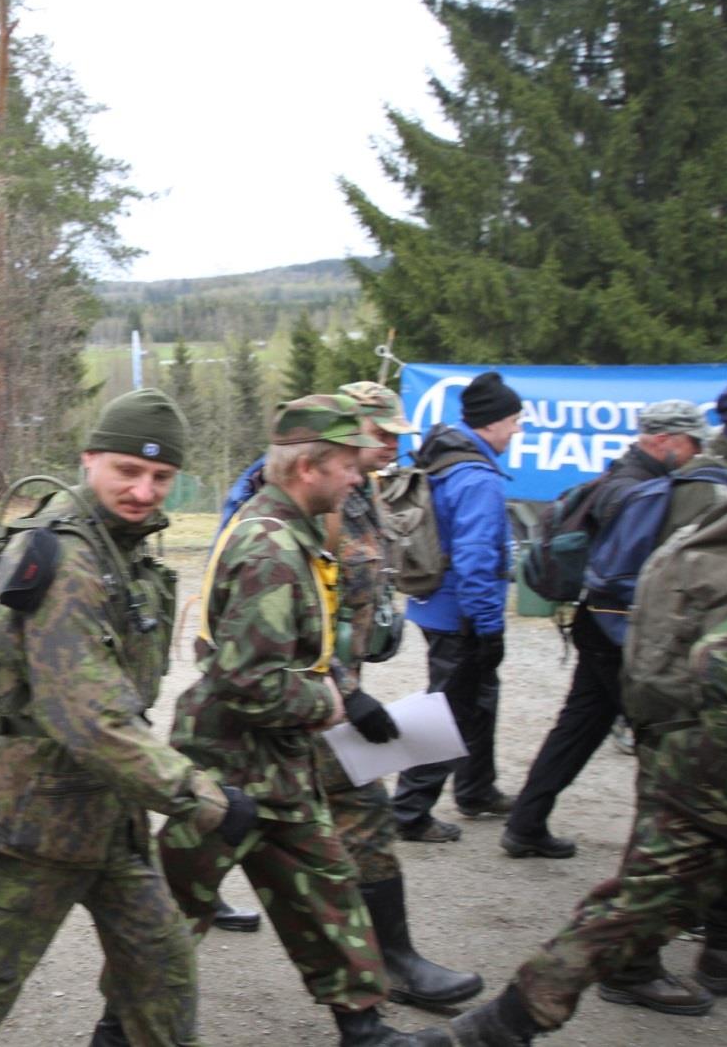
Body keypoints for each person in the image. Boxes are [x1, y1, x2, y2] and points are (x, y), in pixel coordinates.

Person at [0, 388, 249, 1047]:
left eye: (160, 477)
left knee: (161, 971)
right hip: (34, 824)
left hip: (108, 815)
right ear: (89, 460)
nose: (143, 491)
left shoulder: (121, 544)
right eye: (127, 472)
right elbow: (87, 716)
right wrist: (200, 795)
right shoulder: (62, 558)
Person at [156, 395, 446, 1047]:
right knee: (174, 913)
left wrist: (339, 688)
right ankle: (121, 1030)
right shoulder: (267, 546)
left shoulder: (295, 532)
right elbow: (244, 678)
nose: (356, 478)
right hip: (224, 768)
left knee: (325, 890)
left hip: (276, 760)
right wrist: (334, 705)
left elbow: (298, 652)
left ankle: (363, 1027)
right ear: (310, 466)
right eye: (346, 465)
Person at [449, 591, 727, 1047]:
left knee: (664, 889)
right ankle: (501, 1025)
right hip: (714, 759)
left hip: (667, 701)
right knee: (653, 898)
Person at [583, 368, 727, 1015]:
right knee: (668, 840)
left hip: (709, 690)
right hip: (690, 696)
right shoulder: (714, 493)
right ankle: (629, 968)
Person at [321, 381, 483, 1010]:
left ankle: (393, 963)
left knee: (360, 817)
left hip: (333, 695)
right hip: (278, 702)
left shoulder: (365, 493)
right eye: (380, 431)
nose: (392, 443)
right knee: (214, 833)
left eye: (396, 432)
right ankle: (142, 977)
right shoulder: (305, 496)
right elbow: (276, 609)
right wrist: (341, 685)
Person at [502, 400, 709, 861]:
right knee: (664, 743)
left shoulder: (618, 479)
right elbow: (625, 574)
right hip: (620, 632)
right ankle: (663, 864)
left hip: (599, 626)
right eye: (693, 444)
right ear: (664, 441)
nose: (697, 454)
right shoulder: (641, 491)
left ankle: (525, 824)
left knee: (579, 727)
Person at [393, 370, 523, 842]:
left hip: (438, 605)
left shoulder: (445, 459)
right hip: (460, 616)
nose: (516, 431)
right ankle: (409, 811)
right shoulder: (477, 478)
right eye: (514, 421)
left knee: (479, 700)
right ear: (491, 424)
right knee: (448, 710)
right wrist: (488, 628)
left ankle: (477, 789)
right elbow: (475, 560)